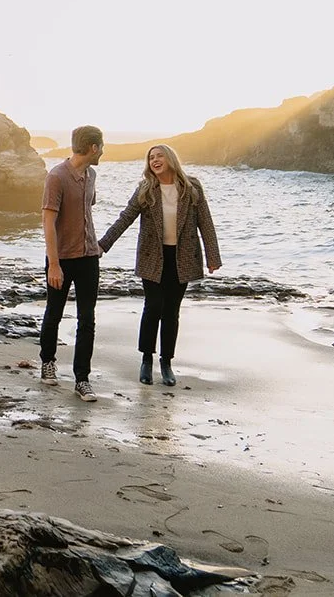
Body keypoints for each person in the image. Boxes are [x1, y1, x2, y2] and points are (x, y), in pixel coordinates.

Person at [99, 144, 221, 387]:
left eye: (159, 156)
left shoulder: (192, 187)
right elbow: (125, 218)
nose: (154, 160)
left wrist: (212, 257)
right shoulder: (146, 190)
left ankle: (166, 362)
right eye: (151, 158)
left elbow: (205, 222)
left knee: (171, 311)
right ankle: (146, 359)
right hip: (152, 256)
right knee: (153, 306)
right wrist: (102, 245)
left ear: (170, 158)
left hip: (182, 257)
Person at [38, 125, 104, 401]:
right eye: (102, 146)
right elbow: (48, 222)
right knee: (54, 313)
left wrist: (97, 246)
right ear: (93, 148)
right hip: (62, 259)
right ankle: (48, 362)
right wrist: (54, 264)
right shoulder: (57, 176)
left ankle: (82, 379)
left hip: (89, 257)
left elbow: (87, 211)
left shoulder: (92, 175)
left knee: (87, 319)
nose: (103, 151)